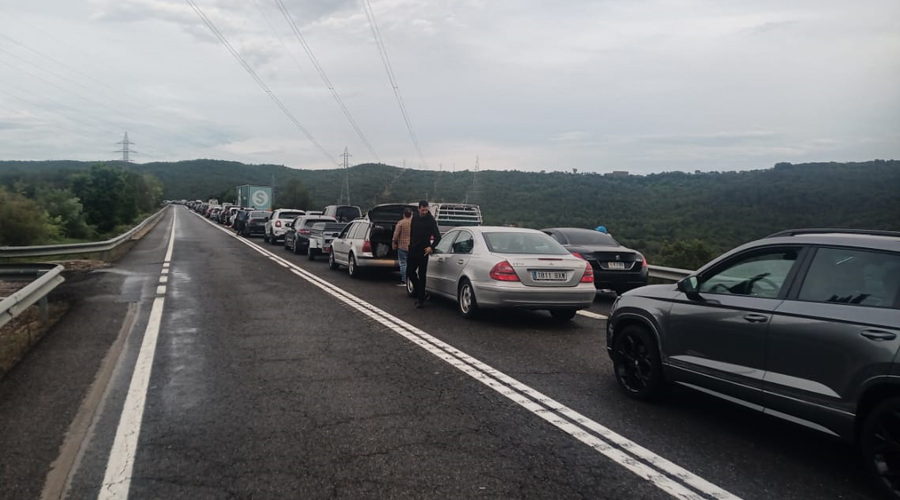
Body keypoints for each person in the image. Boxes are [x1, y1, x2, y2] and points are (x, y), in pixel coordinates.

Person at [407, 200, 441, 308]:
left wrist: (431, 247)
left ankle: (420, 299)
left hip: (424, 251)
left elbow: (438, 236)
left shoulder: (431, 220)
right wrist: (410, 244)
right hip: (413, 249)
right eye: (423, 210)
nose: (424, 212)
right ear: (419, 209)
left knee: (422, 275)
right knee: (409, 272)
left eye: (426, 210)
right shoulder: (415, 217)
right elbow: (412, 232)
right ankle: (421, 292)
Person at [392, 208, 412, 286]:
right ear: (411, 214)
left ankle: (404, 281)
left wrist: (394, 242)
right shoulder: (413, 223)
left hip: (402, 246)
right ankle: (410, 280)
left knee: (403, 263)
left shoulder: (401, 223)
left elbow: (396, 234)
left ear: (403, 215)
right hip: (412, 246)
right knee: (411, 264)